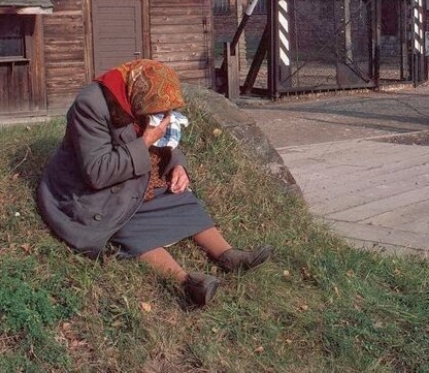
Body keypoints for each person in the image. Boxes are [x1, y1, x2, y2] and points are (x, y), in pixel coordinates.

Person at [37, 59, 273, 307]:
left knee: (180, 198)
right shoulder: (91, 105)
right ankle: (186, 283)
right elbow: (97, 172)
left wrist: (177, 166)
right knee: (123, 218)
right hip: (89, 187)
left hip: (129, 174)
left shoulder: (141, 96)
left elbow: (166, 138)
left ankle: (228, 256)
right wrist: (146, 141)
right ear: (136, 96)